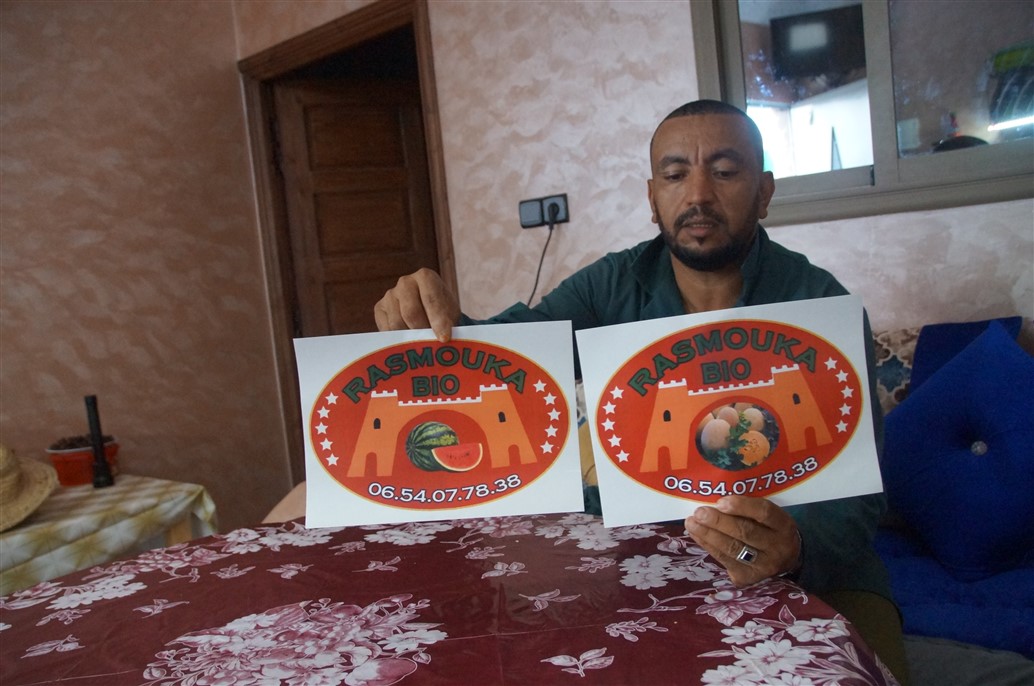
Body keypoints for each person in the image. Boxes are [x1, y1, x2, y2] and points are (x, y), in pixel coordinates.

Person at [375, 100, 908, 683]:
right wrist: (432, 323)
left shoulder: (822, 305)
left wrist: (798, 548)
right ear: (652, 199)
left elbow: (860, 496)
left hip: (815, 572)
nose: (698, 194)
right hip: (647, 563)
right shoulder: (611, 285)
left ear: (764, 192)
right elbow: (505, 361)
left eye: (725, 171)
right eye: (675, 175)